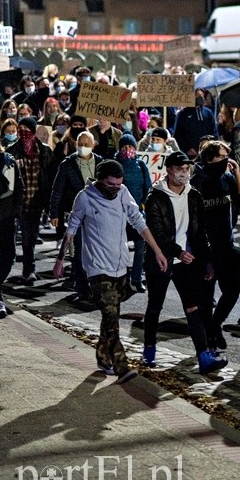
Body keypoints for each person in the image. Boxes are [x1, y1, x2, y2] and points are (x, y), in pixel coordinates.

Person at [53, 159, 169, 383]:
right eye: (110, 185)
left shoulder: (123, 193)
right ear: (99, 180)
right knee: (111, 317)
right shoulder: (85, 198)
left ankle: (103, 356)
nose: (115, 189)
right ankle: (121, 365)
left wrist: (157, 251)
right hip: (98, 269)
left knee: (111, 315)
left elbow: (138, 221)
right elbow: (71, 230)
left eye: (118, 184)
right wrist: (60, 259)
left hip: (120, 265)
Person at [141, 151, 227, 373]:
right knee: (155, 306)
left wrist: (207, 260)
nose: (184, 173)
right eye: (180, 169)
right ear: (168, 170)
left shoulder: (194, 195)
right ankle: (149, 350)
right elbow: (157, 233)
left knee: (193, 308)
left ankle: (204, 356)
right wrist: (177, 252)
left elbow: (201, 232)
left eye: (187, 169)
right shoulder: (155, 197)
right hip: (162, 259)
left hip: (186, 262)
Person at [191, 140, 240, 349]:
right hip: (205, 248)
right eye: (221, 156)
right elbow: (193, 222)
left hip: (226, 245)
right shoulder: (197, 183)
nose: (226, 160)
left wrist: (237, 174)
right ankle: (209, 338)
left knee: (233, 289)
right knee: (206, 297)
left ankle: (215, 326)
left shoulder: (227, 178)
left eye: (227, 156)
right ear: (209, 159)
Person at [50, 130, 104, 300]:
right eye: (80, 144)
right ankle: (82, 288)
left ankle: (96, 285)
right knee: (78, 251)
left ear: (93, 145)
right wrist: (54, 212)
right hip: (76, 214)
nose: (82, 147)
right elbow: (57, 190)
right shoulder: (67, 164)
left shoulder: (101, 163)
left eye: (86, 145)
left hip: (97, 215)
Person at [5, 117, 53, 285]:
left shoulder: (45, 151)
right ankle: (18, 268)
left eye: (27, 129)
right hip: (18, 201)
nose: (23, 133)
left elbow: (48, 178)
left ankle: (29, 269)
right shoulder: (12, 151)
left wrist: (48, 203)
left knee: (31, 237)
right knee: (17, 237)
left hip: (36, 201)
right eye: (21, 129)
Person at [0, 128, 24, 317]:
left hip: (7, 218)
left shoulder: (10, 163)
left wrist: (16, 211)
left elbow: (19, 188)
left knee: (8, 255)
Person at [114, 132, 151, 293]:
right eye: (124, 146)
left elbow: (148, 187)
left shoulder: (141, 165)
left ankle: (136, 279)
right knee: (120, 247)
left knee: (141, 244)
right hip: (119, 213)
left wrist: (143, 204)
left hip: (137, 213)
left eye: (130, 146)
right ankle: (120, 278)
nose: (128, 149)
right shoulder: (114, 164)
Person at [172, 88, 217, 155]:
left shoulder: (208, 113)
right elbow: (177, 135)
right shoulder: (183, 114)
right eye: (197, 95)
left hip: (206, 152)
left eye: (202, 95)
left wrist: (210, 146)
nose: (200, 97)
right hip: (189, 154)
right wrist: (187, 149)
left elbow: (214, 132)